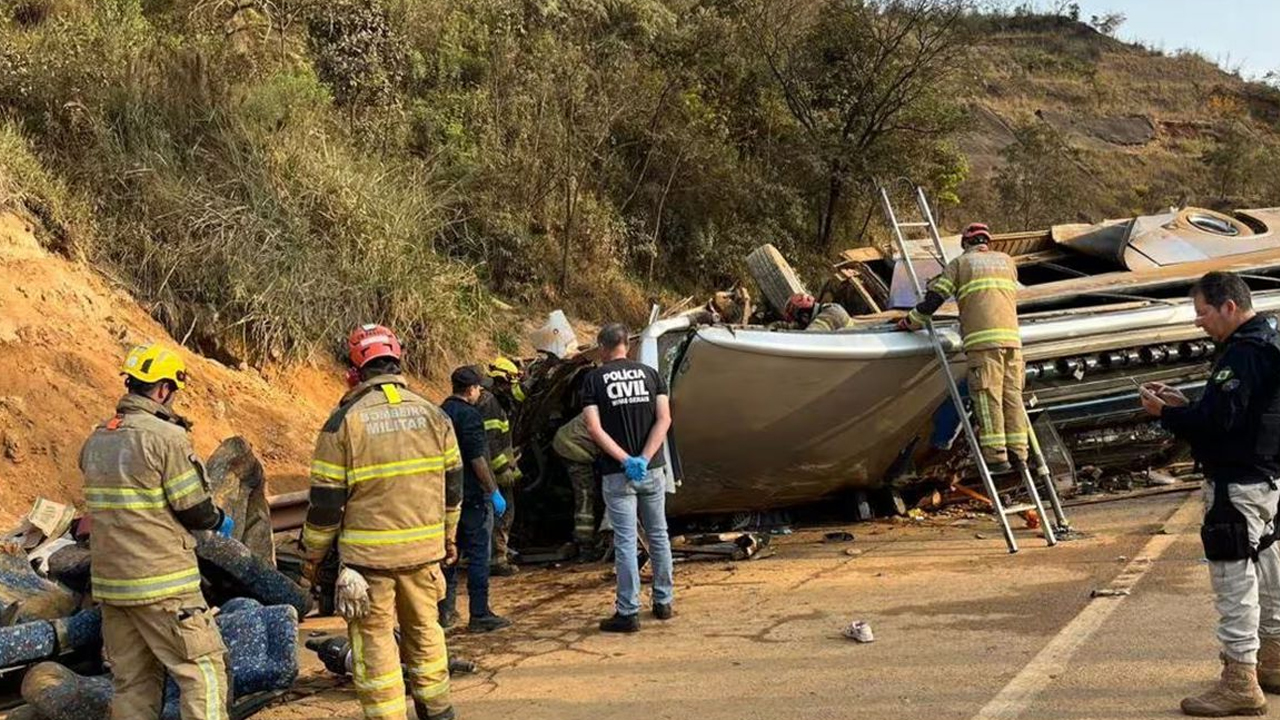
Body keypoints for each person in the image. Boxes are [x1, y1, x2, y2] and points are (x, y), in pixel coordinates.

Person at [300, 324, 462, 720]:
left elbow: (325, 505)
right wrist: (449, 537)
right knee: (426, 636)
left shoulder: (343, 422)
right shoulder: (434, 415)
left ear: (354, 371)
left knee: (374, 648)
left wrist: (312, 558)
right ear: (398, 362)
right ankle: (439, 711)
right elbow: (453, 488)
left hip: (368, 564)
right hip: (424, 556)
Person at [1140, 272, 1280, 717]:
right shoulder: (1271, 341)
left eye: (1202, 312)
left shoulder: (1242, 355)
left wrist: (1166, 414)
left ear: (1229, 308)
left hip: (1236, 485)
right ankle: (1273, 659)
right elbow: (1237, 412)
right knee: (1270, 572)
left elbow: (1219, 424)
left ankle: (1239, 680)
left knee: (1233, 580)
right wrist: (1188, 405)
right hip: (1268, 478)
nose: (1198, 322)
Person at [80, 344, 233, 720]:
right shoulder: (165, 437)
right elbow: (193, 507)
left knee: (132, 684)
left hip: (113, 587)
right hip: (164, 584)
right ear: (163, 389)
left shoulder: (98, 439)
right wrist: (218, 520)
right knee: (204, 672)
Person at [898, 222, 1024, 474]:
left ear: (966, 243)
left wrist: (910, 321)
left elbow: (934, 300)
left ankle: (996, 456)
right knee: (1012, 396)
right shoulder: (1007, 262)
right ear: (986, 241)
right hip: (1013, 342)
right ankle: (1019, 453)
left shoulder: (960, 264)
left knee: (988, 397)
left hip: (983, 343)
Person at [581, 323, 674, 632]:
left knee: (625, 541)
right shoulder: (651, 375)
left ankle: (628, 612)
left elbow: (594, 428)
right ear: (628, 346)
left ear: (603, 348)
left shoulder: (594, 379)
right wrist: (645, 458)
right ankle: (663, 602)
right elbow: (665, 419)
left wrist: (625, 460)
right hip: (653, 468)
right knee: (659, 535)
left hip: (617, 473)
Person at [438, 366, 513, 633]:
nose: (480, 390)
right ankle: (480, 614)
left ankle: (445, 613)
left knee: (449, 553)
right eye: (478, 387)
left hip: (446, 497)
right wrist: (493, 491)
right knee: (480, 554)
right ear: (470, 389)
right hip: (473, 497)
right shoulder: (470, 415)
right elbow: (478, 458)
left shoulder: (439, 412)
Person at [480, 357, 524, 576]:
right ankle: (497, 560)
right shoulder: (490, 404)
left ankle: (496, 554)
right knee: (503, 514)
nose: (512, 388)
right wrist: (503, 469)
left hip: (493, 469)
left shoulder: (493, 400)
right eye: (510, 383)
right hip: (493, 473)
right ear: (501, 381)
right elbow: (489, 442)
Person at [552, 411, 603, 557]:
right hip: (573, 448)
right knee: (586, 495)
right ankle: (585, 545)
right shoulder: (614, 412)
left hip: (567, 441)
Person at [783, 293, 854, 331]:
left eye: (800, 299)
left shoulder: (833, 311)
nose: (806, 296)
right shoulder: (820, 314)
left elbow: (809, 338)